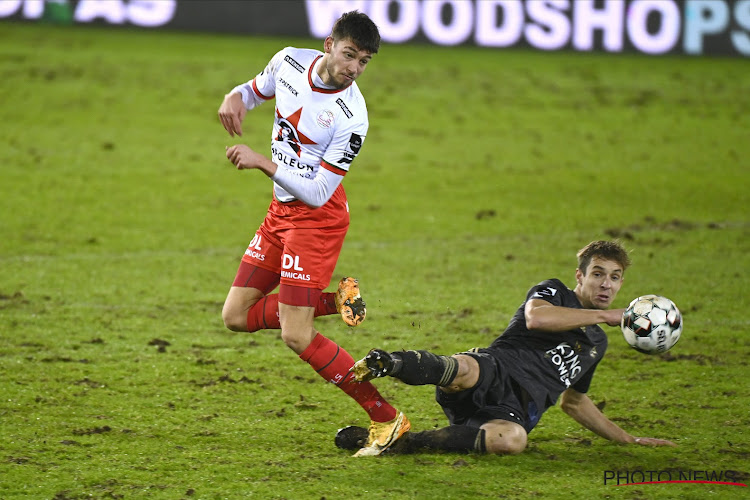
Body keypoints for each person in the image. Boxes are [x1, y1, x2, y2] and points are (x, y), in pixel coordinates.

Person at [217, 11, 409, 457]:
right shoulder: (287, 62)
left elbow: (321, 192)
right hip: (280, 211)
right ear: (328, 44)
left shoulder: (352, 116)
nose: (354, 68)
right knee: (236, 317)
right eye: (349, 55)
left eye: (364, 62)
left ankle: (386, 418)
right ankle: (333, 300)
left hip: (316, 221)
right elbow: (253, 90)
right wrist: (235, 96)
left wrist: (263, 163)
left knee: (296, 335)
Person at [338, 240, 677, 454]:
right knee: (467, 367)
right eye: (598, 274)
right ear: (580, 275)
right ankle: (388, 363)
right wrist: (603, 314)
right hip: (494, 370)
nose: (605, 283)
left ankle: (404, 442)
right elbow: (537, 319)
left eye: (614, 277)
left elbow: (573, 403)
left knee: (512, 441)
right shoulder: (553, 291)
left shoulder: (596, 344)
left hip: (514, 409)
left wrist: (626, 439)